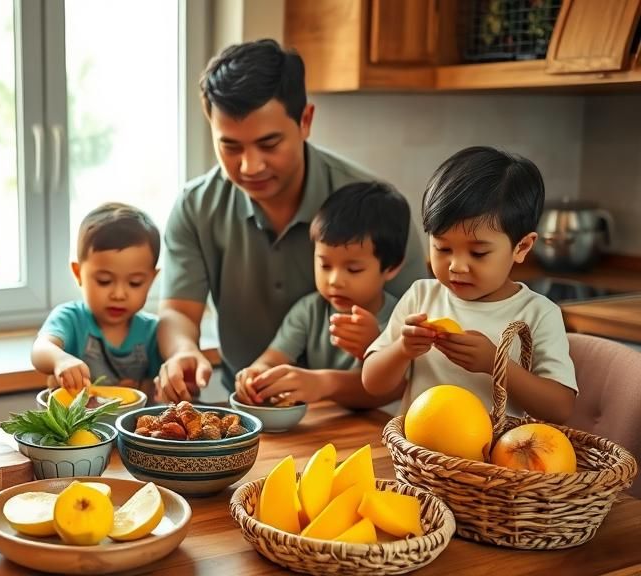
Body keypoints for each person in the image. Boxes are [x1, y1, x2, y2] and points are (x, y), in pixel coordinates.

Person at [156, 39, 425, 406]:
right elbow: (177, 311)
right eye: (231, 147)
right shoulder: (195, 206)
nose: (250, 166)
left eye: (269, 144)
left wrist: (325, 384)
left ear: (306, 121)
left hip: (363, 414)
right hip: (254, 408)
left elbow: (415, 352)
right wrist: (181, 351)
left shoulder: (375, 207)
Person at [362, 146, 577, 422]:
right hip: (418, 458)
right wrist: (402, 350)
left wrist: (495, 364)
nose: (456, 266)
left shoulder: (537, 314)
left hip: (495, 461)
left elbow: (560, 408)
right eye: (442, 248)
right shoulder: (421, 297)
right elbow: (372, 382)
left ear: (522, 247)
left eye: (478, 253)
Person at [235, 182, 409, 406]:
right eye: (325, 266)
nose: (335, 280)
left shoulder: (401, 320)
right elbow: (272, 359)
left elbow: (392, 389)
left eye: (353, 269)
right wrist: (256, 374)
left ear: (392, 267)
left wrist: (371, 347)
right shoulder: (309, 311)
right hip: (328, 426)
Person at [32, 202, 162, 400]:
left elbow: (159, 385)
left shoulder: (153, 331)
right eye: (104, 281)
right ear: (78, 273)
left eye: (135, 283)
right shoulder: (71, 318)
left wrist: (141, 387)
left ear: (152, 279)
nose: (119, 294)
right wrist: (61, 360)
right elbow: (40, 350)